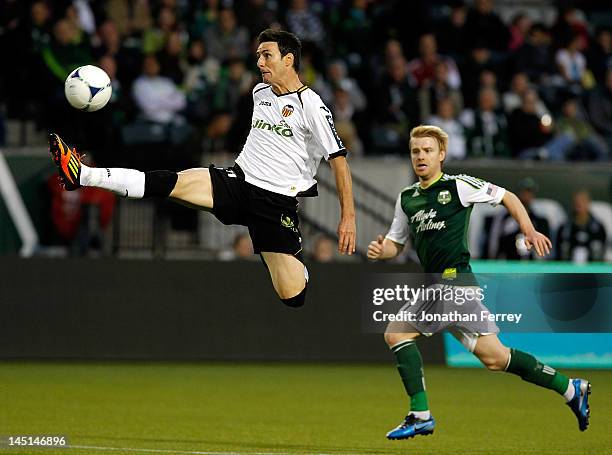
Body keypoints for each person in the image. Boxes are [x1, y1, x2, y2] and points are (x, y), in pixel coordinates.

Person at [49, 29, 356, 308]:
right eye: (258, 55)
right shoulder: (259, 93)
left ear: (289, 60)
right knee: (168, 183)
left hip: (274, 203)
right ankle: (84, 174)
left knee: (293, 296)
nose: (260, 62)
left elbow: (339, 162)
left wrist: (348, 218)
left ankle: (284, 258)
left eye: (267, 55)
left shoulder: (312, 106)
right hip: (238, 182)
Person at [367, 125, 590, 439]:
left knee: (396, 333)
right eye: (416, 151)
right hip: (443, 289)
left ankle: (420, 414)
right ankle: (570, 388)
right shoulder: (407, 198)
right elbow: (396, 243)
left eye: (428, 150)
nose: (421, 156)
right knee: (496, 358)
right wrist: (382, 251)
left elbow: (507, 196)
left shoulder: (458, 186)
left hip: (453, 283)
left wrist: (528, 230)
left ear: (441, 155)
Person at [557, 190, 607, 263]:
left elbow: (602, 250)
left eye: (582, 201)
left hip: (593, 269)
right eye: (576, 202)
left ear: (588, 203)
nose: (579, 204)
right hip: (568, 269)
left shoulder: (598, 227)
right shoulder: (565, 227)